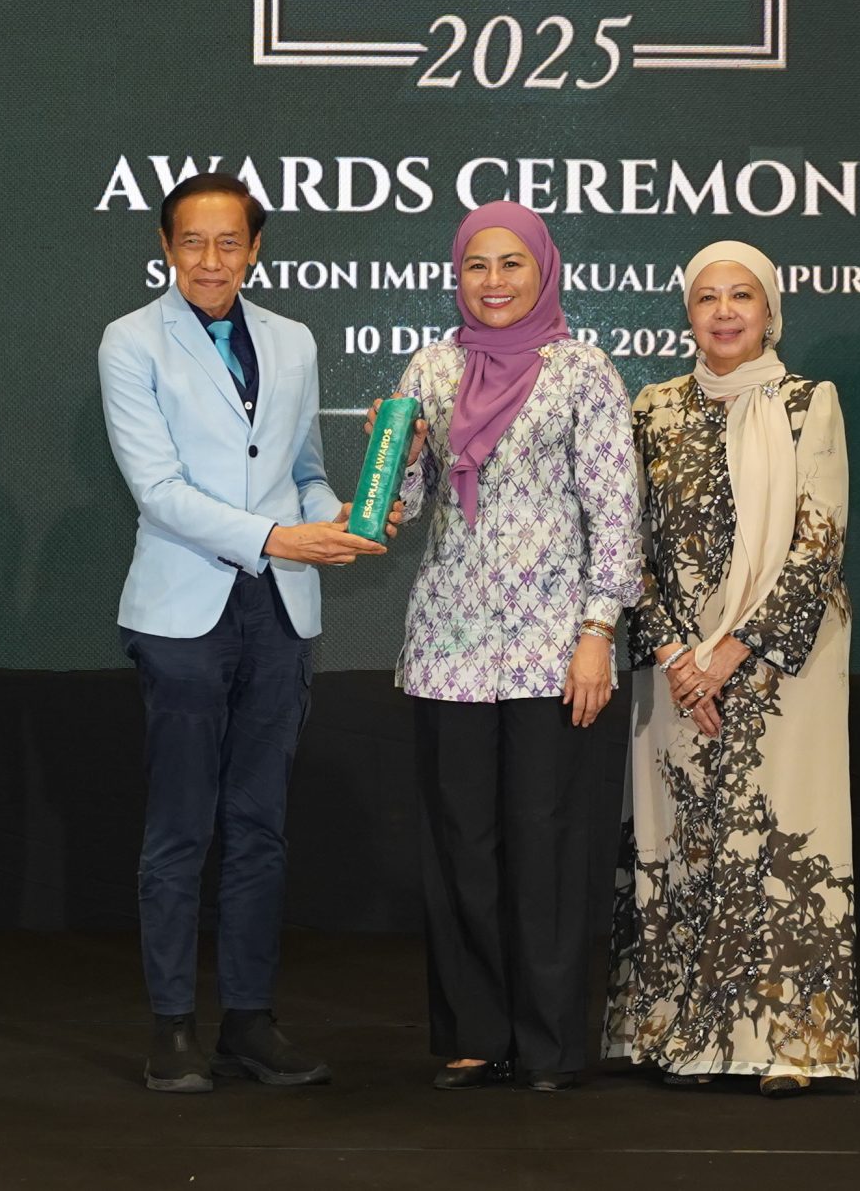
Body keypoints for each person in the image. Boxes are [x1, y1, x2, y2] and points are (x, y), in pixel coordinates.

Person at [98, 171, 389, 1093]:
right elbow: (158, 490)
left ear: (255, 249)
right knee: (181, 828)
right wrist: (275, 537)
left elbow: (303, 469)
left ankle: (251, 1022)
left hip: (280, 614)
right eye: (192, 241)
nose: (211, 260)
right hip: (182, 616)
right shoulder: (130, 340)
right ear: (165, 246)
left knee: (261, 827)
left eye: (229, 242)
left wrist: (335, 516)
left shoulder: (294, 339)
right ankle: (173, 1026)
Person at [377, 200, 643, 1091]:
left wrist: (598, 631)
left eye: (511, 264)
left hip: (554, 648)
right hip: (448, 644)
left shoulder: (583, 372)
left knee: (548, 842)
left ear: (543, 269)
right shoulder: (431, 367)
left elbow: (616, 514)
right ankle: (476, 1034)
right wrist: (397, 451)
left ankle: (550, 1043)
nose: (493, 282)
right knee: (462, 842)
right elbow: (401, 509)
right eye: (476, 266)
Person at [604, 240, 859, 1095]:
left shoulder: (808, 403)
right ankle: (680, 1034)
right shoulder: (652, 408)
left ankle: (784, 1043)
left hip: (784, 665)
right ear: (687, 311)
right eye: (707, 296)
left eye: (741, 295)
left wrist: (731, 655)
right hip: (676, 663)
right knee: (682, 841)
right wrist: (678, 655)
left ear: (769, 309)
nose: (723, 311)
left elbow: (818, 543)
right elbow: (628, 543)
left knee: (779, 841)